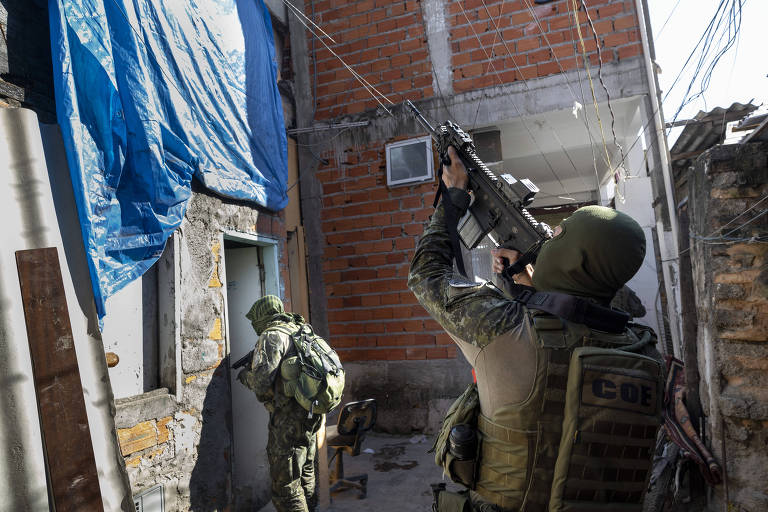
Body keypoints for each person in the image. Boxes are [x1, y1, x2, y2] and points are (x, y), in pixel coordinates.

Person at [409, 146, 664, 511]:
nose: (546, 242)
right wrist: (531, 287)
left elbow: (426, 274)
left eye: (557, 235)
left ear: (573, 259)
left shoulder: (504, 327)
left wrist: (452, 197)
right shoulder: (643, 351)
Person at [237, 295, 321, 512]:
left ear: (262, 317)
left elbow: (261, 382)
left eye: (255, 320)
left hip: (288, 420)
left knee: (285, 488)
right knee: (305, 473)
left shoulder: (272, 336)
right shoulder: (298, 328)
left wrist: (245, 375)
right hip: (310, 412)